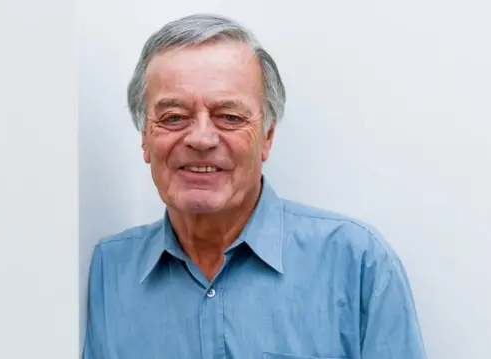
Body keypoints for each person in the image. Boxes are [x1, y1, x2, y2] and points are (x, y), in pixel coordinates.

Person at [83, 13, 426, 359]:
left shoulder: (358, 265)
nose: (201, 138)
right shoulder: (108, 270)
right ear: (145, 137)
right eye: (174, 117)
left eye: (229, 117)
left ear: (268, 137)